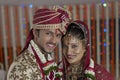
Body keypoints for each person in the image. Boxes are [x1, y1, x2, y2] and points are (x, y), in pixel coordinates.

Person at [7, 6, 70, 80]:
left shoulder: (46, 60)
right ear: (35, 33)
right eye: (48, 33)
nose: (54, 40)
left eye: (58, 35)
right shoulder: (22, 67)